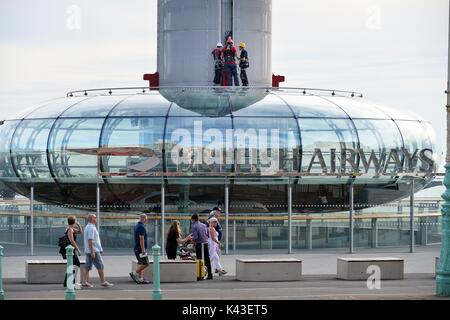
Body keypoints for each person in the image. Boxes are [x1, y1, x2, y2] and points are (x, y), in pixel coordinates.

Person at [82, 214, 113, 288]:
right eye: (95, 218)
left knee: (87, 266)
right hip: (94, 250)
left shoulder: (89, 227)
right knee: (100, 266)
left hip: (90, 250)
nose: (96, 219)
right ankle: (103, 282)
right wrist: (92, 251)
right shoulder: (91, 228)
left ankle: (84, 282)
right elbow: (90, 240)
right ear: (91, 219)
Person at [60, 215, 83, 289]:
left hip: (71, 250)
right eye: (76, 220)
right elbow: (72, 241)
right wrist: (78, 250)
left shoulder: (71, 228)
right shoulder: (70, 229)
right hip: (70, 250)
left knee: (76, 264)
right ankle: (68, 282)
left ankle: (69, 281)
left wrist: (79, 225)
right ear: (74, 221)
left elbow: (80, 232)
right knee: (72, 265)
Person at [129, 214, 151, 284]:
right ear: (144, 219)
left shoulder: (137, 226)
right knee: (146, 263)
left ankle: (141, 279)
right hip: (140, 249)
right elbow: (141, 238)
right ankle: (134, 273)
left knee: (141, 263)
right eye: (146, 219)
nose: (147, 220)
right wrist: (143, 250)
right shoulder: (141, 227)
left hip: (137, 248)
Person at [191, 213, 213, 280]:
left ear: (193, 219)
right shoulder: (204, 225)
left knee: (199, 259)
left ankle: (200, 274)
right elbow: (207, 234)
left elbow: (195, 237)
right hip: (205, 244)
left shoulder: (194, 226)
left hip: (199, 244)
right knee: (207, 259)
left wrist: (192, 240)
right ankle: (210, 274)